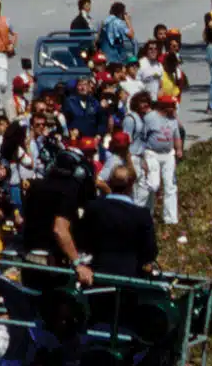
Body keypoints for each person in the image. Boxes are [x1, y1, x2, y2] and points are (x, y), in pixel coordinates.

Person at [77, 164, 158, 280]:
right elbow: (150, 251)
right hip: (130, 277)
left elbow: (81, 240)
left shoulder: (93, 208)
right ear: (131, 185)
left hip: (97, 273)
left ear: (109, 183)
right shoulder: (142, 215)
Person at [139, 95, 184, 225]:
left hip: (169, 154)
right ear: (164, 106)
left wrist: (179, 149)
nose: (174, 109)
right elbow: (142, 137)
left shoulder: (173, 119)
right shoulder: (150, 118)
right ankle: (146, 214)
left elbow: (177, 136)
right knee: (153, 184)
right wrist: (142, 156)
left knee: (171, 186)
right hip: (152, 153)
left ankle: (171, 218)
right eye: (172, 106)